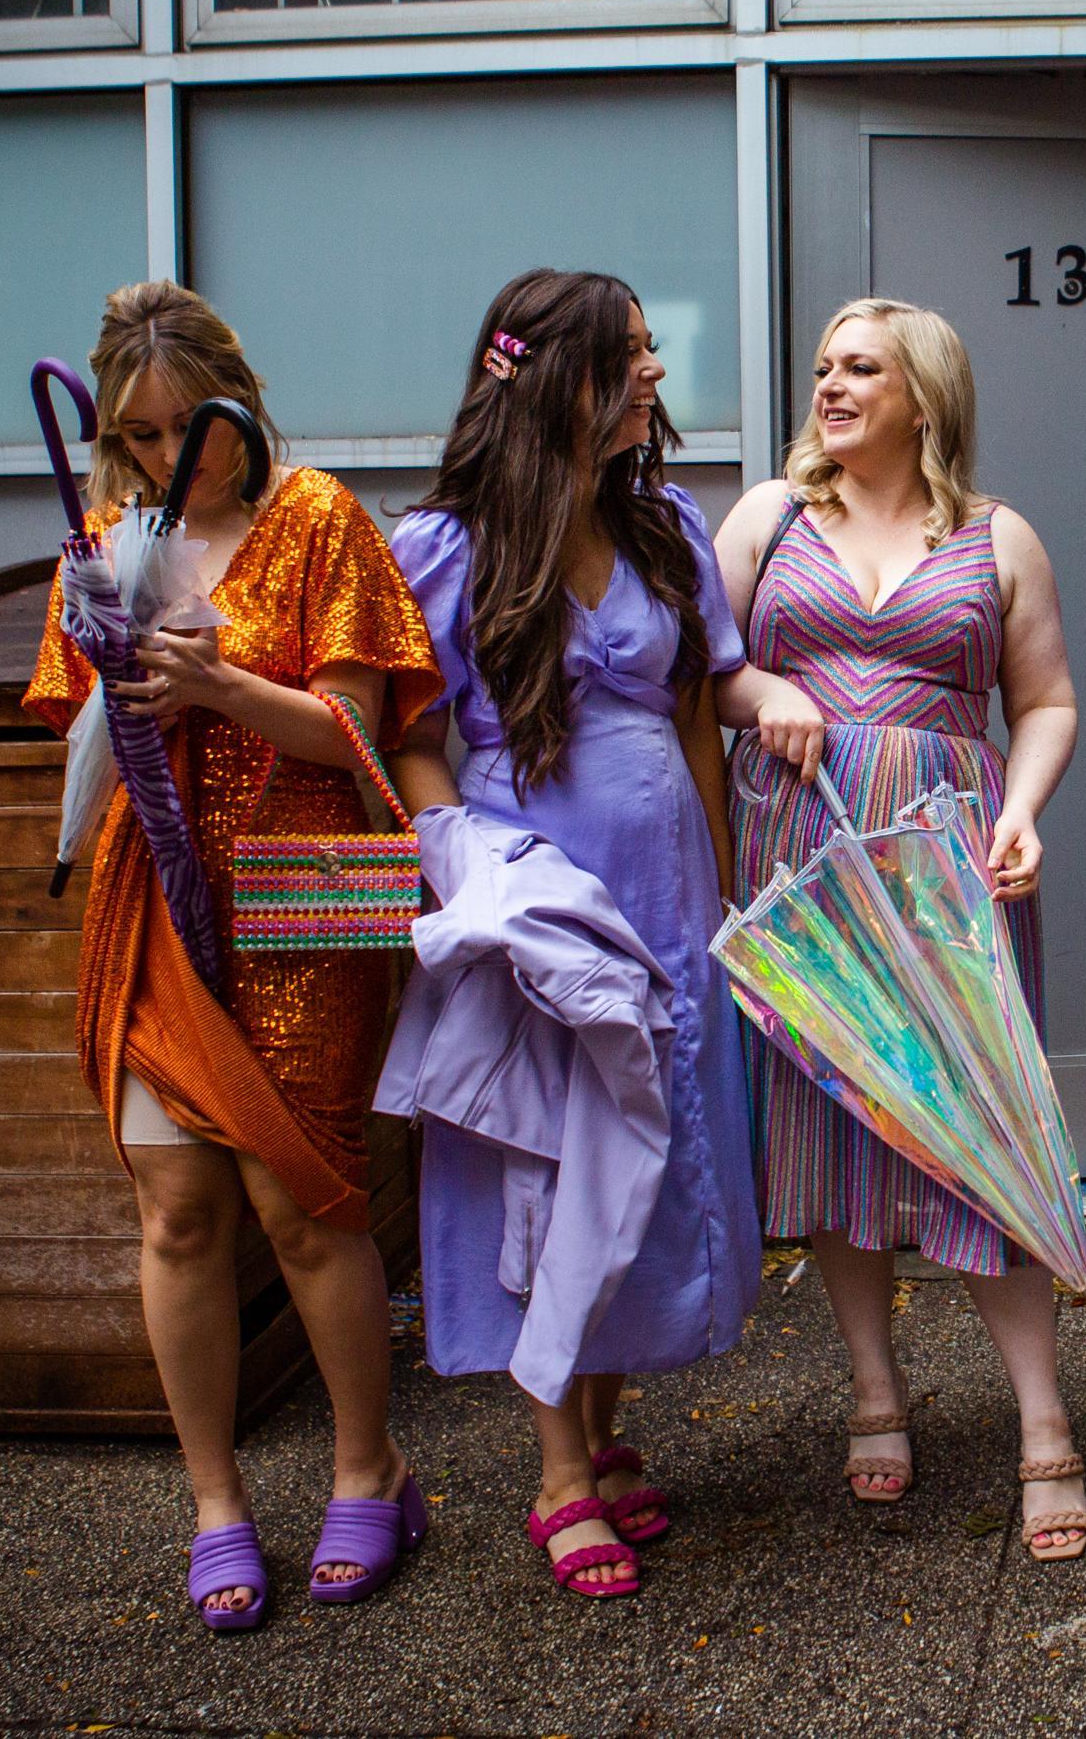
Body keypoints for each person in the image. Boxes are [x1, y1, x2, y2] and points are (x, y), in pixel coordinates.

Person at [23, 281, 442, 1630]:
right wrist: (117, 695)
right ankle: (216, 1502)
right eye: (136, 437)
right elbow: (75, 745)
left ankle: (370, 1469)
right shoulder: (103, 545)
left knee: (306, 1203)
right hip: (152, 896)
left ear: (237, 409)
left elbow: (361, 733)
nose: (166, 460)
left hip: (302, 887)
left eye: (184, 430)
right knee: (178, 1211)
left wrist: (215, 684)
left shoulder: (316, 518)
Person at [383, 270, 761, 1600]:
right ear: (559, 379)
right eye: (630, 354)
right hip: (534, 898)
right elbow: (412, 739)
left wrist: (718, 891)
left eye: (652, 351)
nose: (654, 374)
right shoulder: (448, 545)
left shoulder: (663, 524)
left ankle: (601, 1434)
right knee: (552, 1159)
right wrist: (468, 874)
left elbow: (698, 714)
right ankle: (556, 1475)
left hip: (663, 887)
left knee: (644, 1148)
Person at [712, 297, 1086, 1564]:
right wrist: (764, 688)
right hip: (804, 850)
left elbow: (1045, 701)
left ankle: (1043, 1419)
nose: (828, 385)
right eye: (823, 366)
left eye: (860, 369)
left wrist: (1022, 811)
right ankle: (874, 1387)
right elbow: (693, 666)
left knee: (981, 1119)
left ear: (921, 396)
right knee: (835, 1113)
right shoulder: (769, 519)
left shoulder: (996, 538)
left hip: (947, 865)